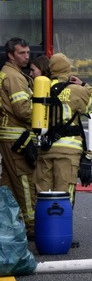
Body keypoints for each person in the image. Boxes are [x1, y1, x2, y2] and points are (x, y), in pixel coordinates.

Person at [35, 53, 92, 199]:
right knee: (64, 195)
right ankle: (62, 222)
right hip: (68, 151)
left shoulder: (41, 89)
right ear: (68, 70)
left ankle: (43, 222)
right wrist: (84, 85)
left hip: (45, 148)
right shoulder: (76, 90)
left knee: (42, 194)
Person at [0, 37, 38, 236]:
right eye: (21, 53)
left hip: (9, 137)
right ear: (10, 55)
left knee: (7, 184)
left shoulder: (7, 73)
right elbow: (23, 110)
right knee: (25, 182)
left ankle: (9, 226)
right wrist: (43, 116)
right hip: (17, 137)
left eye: (28, 53)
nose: (26, 57)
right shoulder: (14, 77)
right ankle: (32, 226)